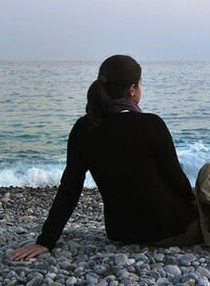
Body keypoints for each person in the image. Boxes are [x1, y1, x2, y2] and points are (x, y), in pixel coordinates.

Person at [10, 55, 200, 260]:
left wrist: (46, 240)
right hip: (168, 229)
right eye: (140, 84)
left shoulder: (83, 129)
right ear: (132, 89)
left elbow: (70, 188)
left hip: (120, 231)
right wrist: (197, 206)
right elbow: (176, 179)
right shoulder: (152, 125)